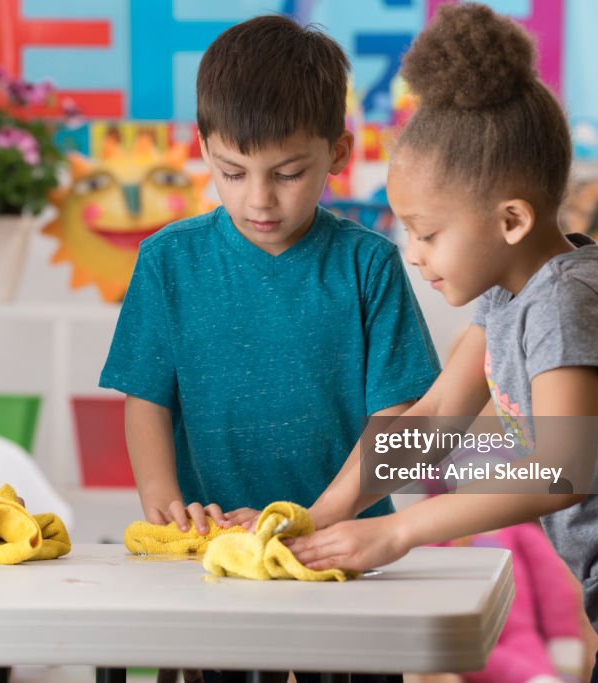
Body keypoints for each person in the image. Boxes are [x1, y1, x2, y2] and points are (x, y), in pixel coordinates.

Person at [287, 4, 598, 681]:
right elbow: (430, 420)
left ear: (511, 219)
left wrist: (395, 530)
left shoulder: (567, 298)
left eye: (426, 233)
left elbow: (559, 467)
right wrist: (320, 516)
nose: (414, 254)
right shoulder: (508, 297)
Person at [100, 14, 440, 536]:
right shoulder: (167, 260)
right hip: (209, 543)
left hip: (342, 540)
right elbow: (146, 399)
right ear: (204, 148)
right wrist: (165, 502)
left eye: (288, 174)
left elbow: (399, 417)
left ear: (337, 154)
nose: (258, 199)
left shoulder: (368, 264)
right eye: (232, 173)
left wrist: (320, 517)